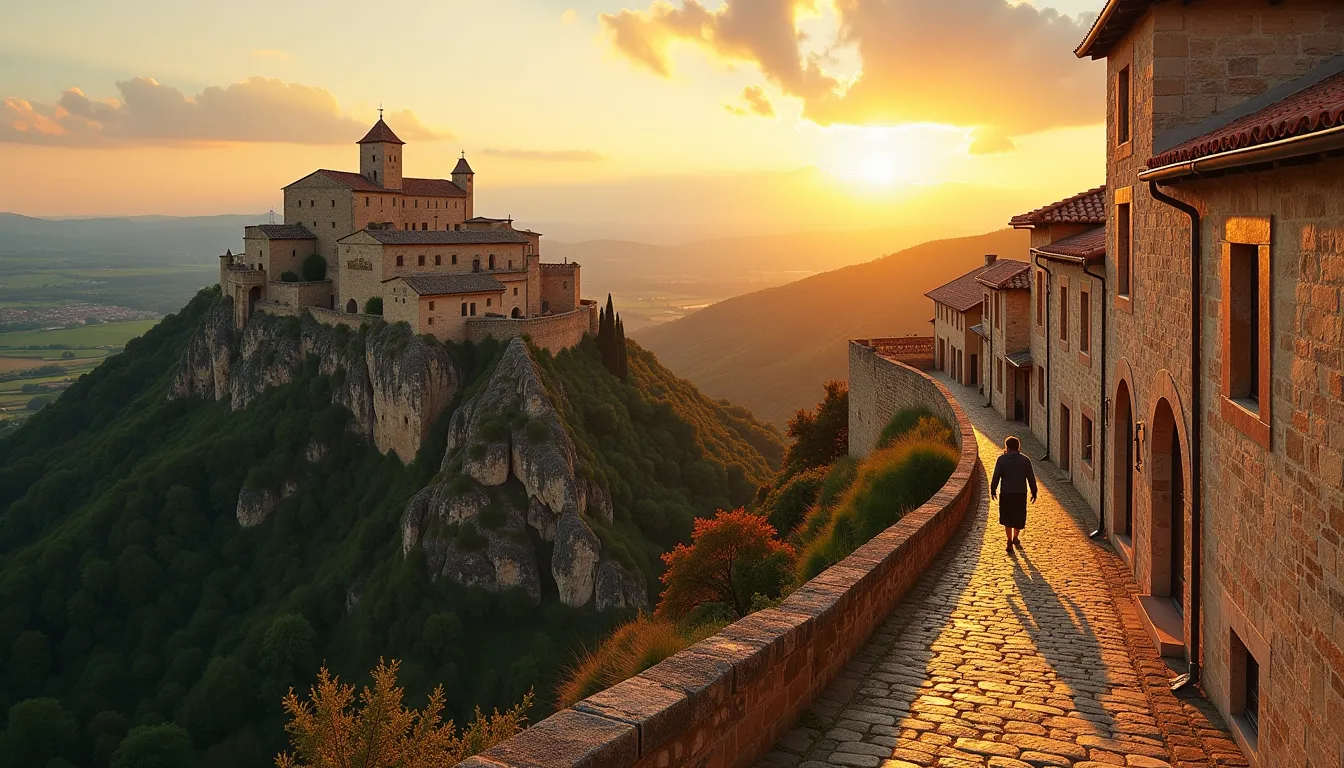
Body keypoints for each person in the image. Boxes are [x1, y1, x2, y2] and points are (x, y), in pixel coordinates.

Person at [990, 435, 1037, 554]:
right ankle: (1016, 537)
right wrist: (1034, 491)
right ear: (1018, 447)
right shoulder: (1025, 460)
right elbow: (1031, 478)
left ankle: (1009, 540)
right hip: (1020, 493)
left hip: (1006, 493)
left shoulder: (1001, 460)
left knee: (1007, 518)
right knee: (1019, 516)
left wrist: (993, 489)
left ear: (1007, 447)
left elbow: (996, 476)